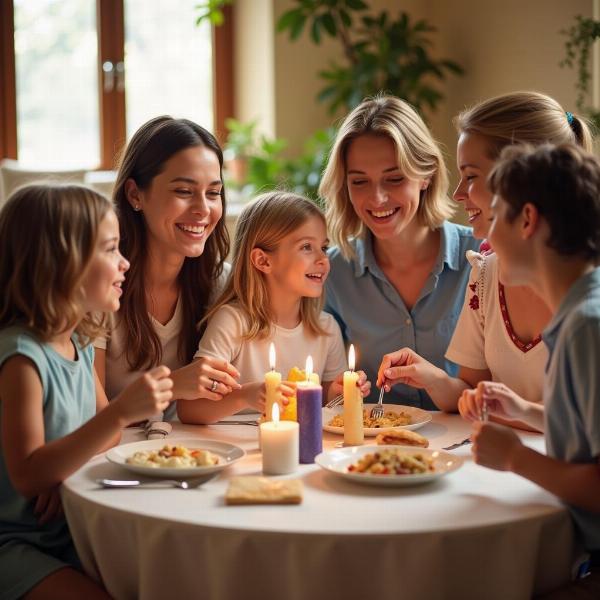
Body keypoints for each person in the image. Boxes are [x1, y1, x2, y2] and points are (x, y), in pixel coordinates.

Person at [0, 184, 173, 599]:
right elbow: (27, 475)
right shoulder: (22, 359)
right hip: (17, 543)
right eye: (111, 250)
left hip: (72, 528)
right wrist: (120, 412)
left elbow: (105, 436)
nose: (125, 263)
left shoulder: (76, 343)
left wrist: (66, 471)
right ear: (63, 264)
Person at [376, 91, 592, 422]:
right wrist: (432, 377)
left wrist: (516, 449)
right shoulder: (486, 272)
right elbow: (475, 392)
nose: (458, 193)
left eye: (472, 176)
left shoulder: (588, 303)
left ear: (522, 181)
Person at [468, 144, 600, 595]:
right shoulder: (580, 312)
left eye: (496, 215)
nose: (486, 240)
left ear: (527, 220)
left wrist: (514, 458)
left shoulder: (587, 327)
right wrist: (529, 411)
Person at [320, 95, 478, 410]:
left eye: (394, 179)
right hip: (369, 452)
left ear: (426, 174)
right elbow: (323, 378)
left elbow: (496, 391)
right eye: (359, 182)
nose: (377, 198)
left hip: (462, 451)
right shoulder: (331, 273)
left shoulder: (479, 259)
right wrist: (332, 390)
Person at [178, 191, 370, 424]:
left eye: (324, 247)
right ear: (263, 261)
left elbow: (326, 405)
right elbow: (189, 408)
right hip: (237, 452)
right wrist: (245, 396)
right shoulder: (232, 321)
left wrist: (338, 394)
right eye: (307, 247)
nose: (323, 259)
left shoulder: (326, 328)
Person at [94, 116, 241, 420]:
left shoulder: (220, 282)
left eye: (213, 193)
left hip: (191, 453)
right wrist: (172, 385)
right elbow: (91, 418)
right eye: (184, 192)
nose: (202, 209)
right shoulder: (99, 287)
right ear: (135, 195)